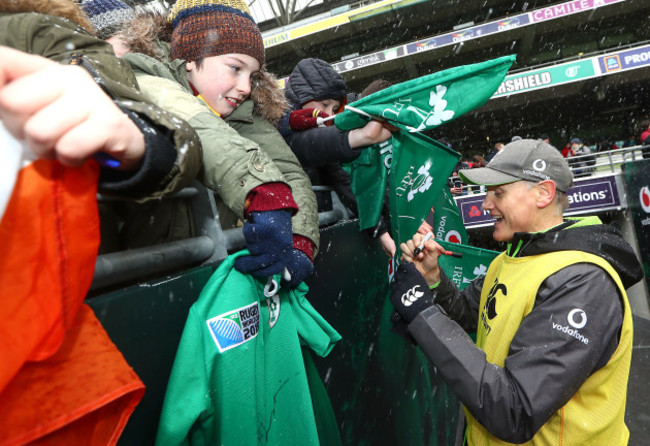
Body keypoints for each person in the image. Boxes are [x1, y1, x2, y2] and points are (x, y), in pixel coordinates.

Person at [389, 139, 643, 445]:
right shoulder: (508, 259)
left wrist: (419, 309)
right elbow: (468, 316)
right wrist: (433, 279)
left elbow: (514, 411)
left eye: (498, 192)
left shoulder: (584, 280)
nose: (485, 204)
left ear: (544, 193)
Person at [111, 0, 319, 286]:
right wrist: (262, 190)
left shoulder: (241, 110)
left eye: (252, 75)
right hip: (142, 281)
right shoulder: (144, 78)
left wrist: (299, 241)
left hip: (208, 274)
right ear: (190, 58)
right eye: (235, 68)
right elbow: (197, 125)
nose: (246, 87)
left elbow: (289, 172)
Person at [0, 2, 201, 200]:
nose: (117, 57)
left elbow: (183, 138)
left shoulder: (44, 32)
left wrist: (143, 142)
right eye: (117, 43)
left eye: (132, 43)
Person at [279, 58, 393, 215]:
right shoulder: (277, 128)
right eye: (325, 105)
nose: (330, 115)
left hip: (320, 221)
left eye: (334, 109)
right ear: (302, 96)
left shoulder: (323, 129)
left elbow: (343, 180)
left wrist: (387, 219)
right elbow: (309, 145)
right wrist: (359, 137)